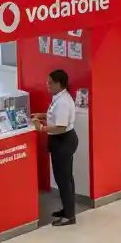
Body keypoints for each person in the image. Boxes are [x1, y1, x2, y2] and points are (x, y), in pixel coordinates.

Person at [32, 70, 78, 226]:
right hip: (59, 141)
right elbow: (55, 116)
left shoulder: (64, 101)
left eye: (50, 82)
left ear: (60, 84)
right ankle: (67, 209)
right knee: (62, 178)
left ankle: (69, 216)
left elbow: (60, 126)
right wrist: (41, 115)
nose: (48, 85)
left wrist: (42, 128)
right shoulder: (59, 98)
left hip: (63, 141)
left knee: (64, 180)